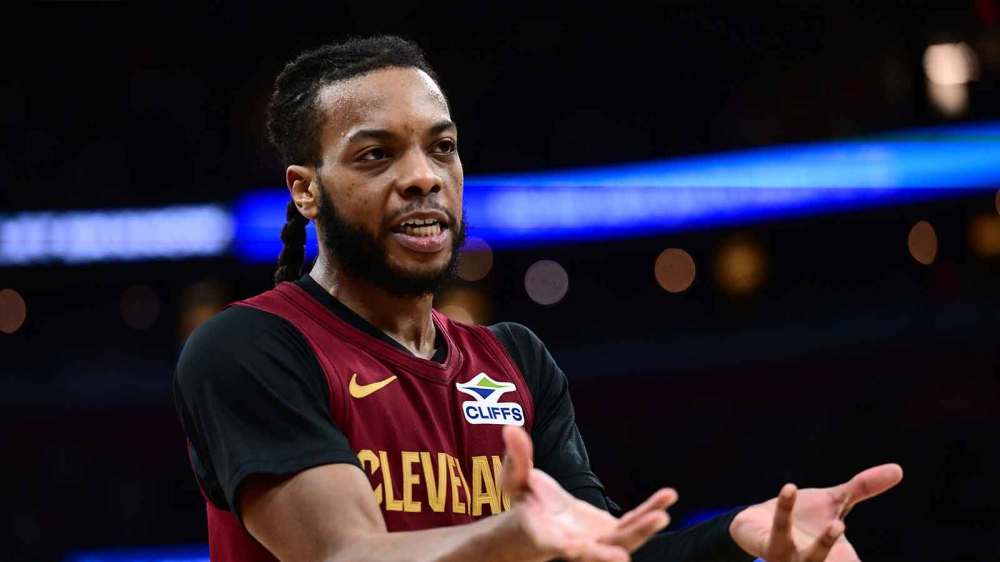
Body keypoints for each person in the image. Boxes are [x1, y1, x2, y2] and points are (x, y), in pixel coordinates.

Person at [173, 35, 903, 562]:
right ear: (306, 189)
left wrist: (740, 537)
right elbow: (346, 554)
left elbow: (598, 549)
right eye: (377, 154)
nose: (424, 175)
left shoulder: (513, 358)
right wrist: (514, 538)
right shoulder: (251, 347)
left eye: (443, 145)